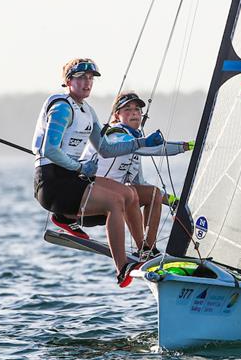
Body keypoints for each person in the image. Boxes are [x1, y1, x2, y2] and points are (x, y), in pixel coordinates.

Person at [32, 58, 165, 288]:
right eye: (81, 78)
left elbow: (105, 149)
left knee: (129, 194)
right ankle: (122, 267)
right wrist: (80, 167)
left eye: (90, 78)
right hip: (52, 183)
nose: (87, 83)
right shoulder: (62, 107)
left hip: (72, 178)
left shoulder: (88, 111)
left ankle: (144, 250)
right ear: (68, 81)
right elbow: (50, 150)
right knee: (115, 201)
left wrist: (140, 143)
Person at [79, 91, 193, 259]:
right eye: (127, 109)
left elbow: (140, 183)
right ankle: (144, 248)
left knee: (153, 194)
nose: (134, 113)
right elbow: (148, 148)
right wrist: (188, 146)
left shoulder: (136, 143)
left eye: (137, 110)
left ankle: (147, 249)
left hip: (113, 199)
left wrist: (173, 201)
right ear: (117, 115)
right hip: (88, 201)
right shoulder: (116, 135)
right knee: (129, 194)